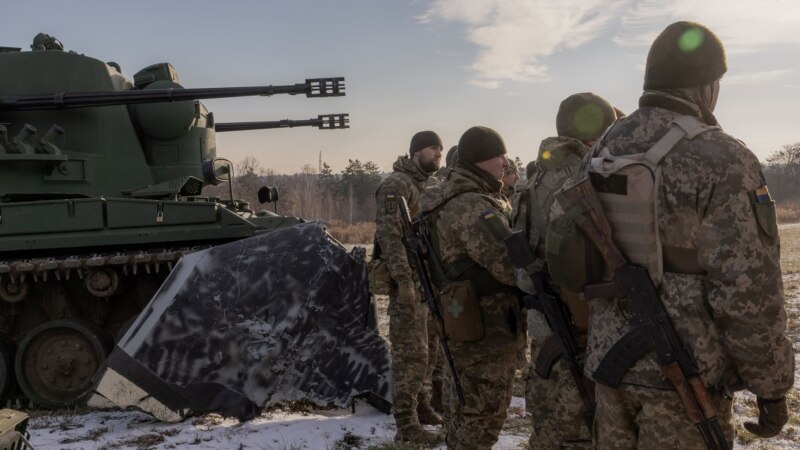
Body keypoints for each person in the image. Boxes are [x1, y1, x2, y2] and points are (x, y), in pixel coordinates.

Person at [578, 21, 794, 448]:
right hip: (682, 377)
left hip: (610, 367)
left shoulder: (603, 147)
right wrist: (771, 386)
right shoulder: (722, 157)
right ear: (708, 85)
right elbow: (746, 290)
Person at [513, 92, 617, 449]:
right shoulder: (584, 176)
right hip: (577, 323)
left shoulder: (531, 182)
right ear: (593, 136)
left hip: (545, 321)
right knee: (580, 427)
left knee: (548, 424)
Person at [418, 126, 526, 449]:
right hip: (486, 332)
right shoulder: (471, 207)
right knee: (482, 422)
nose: (505, 163)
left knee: (464, 418)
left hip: (465, 325)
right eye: (500, 156)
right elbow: (511, 266)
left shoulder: (451, 197)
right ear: (481, 160)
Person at [374, 130, 444, 444]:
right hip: (410, 283)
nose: (439, 154)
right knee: (410, 354)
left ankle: (423, 405)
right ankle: (406, 423)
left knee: (429, 350)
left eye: (441, 149)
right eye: (433, 148)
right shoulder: (397, 185)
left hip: (429, 281)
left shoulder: (428, 184)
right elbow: (390, 238)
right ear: (416, 152)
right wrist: (403, 281)